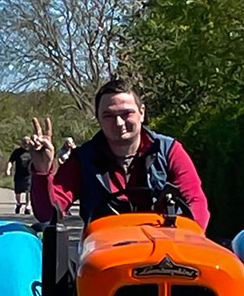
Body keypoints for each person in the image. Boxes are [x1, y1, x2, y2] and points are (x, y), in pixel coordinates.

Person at [25, 78, 209, 230]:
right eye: (109, 116)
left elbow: (195, 202)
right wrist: (42, 170)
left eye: (127, 113)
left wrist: (189, 236)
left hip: (165, 252)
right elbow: (47, 215)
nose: (119, 123)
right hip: (103, 258)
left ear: (142, 113)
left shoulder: (169, 151)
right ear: (98, 118)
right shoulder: (82, 159)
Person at [5, 138, 32, 215]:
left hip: (29, 174)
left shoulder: (32, 152)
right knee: (18, 191)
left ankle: (28, 206)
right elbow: (11, 161)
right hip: (19, 174)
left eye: (27, 143)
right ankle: (18, 204)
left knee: (28, 190)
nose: (26, 144)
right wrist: (8, 169)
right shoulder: (17, 152)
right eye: (24, 142)